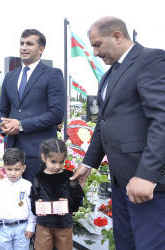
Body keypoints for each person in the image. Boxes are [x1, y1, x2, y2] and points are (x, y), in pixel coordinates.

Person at [71, 16, 165, 250]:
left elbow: (162, 119)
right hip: (121, 181)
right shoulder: (108, 75)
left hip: (146, 185)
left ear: (117, 36)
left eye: (97, 44)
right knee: (126, 244)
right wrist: (88, 163)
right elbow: (104, 123)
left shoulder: (151, 60)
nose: (94, 52)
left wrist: (147, 175)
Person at [0, 29, 66, 183]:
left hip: (40, 153)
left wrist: (21, 125)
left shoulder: (52, 74)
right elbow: (2, 109)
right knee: (15, 202)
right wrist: (3, 125)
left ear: (41, 49)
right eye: (22, 43)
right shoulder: (10, 77)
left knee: (39, 202)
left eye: (29, 44)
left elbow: (56, 114)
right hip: (13, 153)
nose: (24, 47)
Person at [30, 138, 84, 250]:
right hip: (44, 223)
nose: (58, 166)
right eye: (53, 162)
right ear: (43, 158)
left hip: (64, 224)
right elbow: (34, 195)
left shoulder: (69, 176)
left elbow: (78, 195)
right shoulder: (39, 177)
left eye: (61, 162)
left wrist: (68, 202)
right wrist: (37, 204)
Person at [0, 148, 36, 249]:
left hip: (22, 227)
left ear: (24, 168)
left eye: (17, 169)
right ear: (4, 168)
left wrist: (31, 226)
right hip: (3, 227)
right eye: (9, 169)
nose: (13, 173)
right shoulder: (0, 185)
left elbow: (31, 208)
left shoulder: (27, 185)